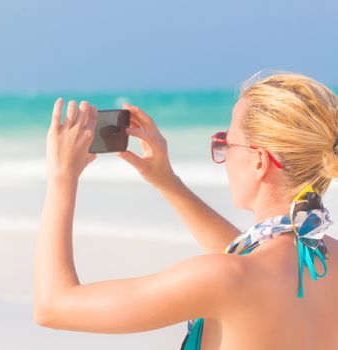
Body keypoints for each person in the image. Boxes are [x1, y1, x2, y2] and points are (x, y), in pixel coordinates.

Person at [33, 71, 338, 349]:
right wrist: (167, 182)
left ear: (259, 161)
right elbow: (248, 259)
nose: (223, 154)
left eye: (225, 143)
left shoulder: (228, 279)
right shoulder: (323, 261)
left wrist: (62, 177)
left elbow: (53, 305)